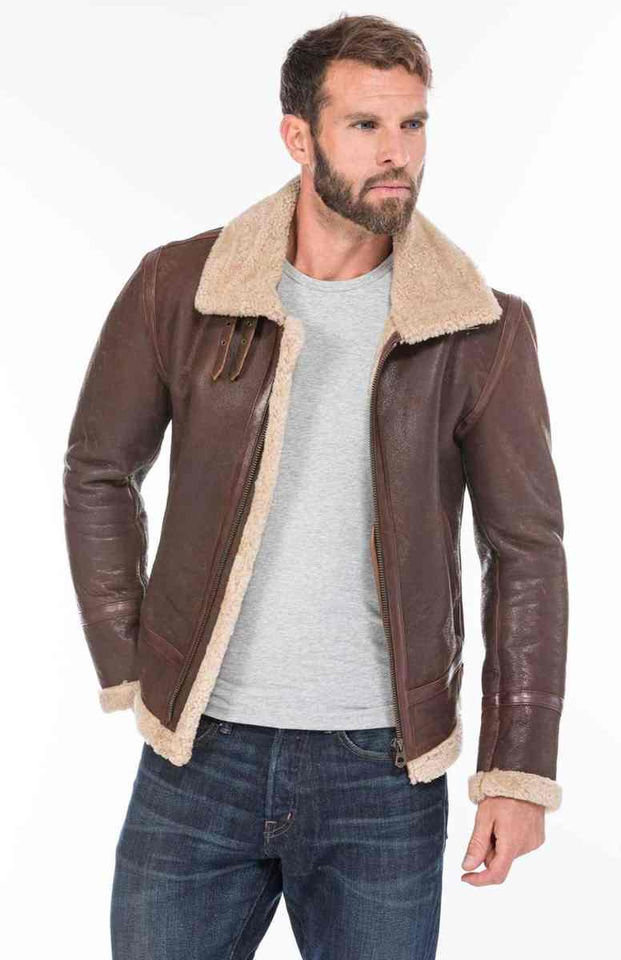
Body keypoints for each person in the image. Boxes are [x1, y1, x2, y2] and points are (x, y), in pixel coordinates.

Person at [62, 13, 568, 959]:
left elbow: (525, 552)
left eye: (412, 124)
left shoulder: (480, 328)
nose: (396, 154)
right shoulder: (181, 287)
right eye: (365, 125)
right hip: (197, 754)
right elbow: (97, 470)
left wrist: (516, 769)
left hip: (382, 769)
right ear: (298, 137)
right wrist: (131, 660)